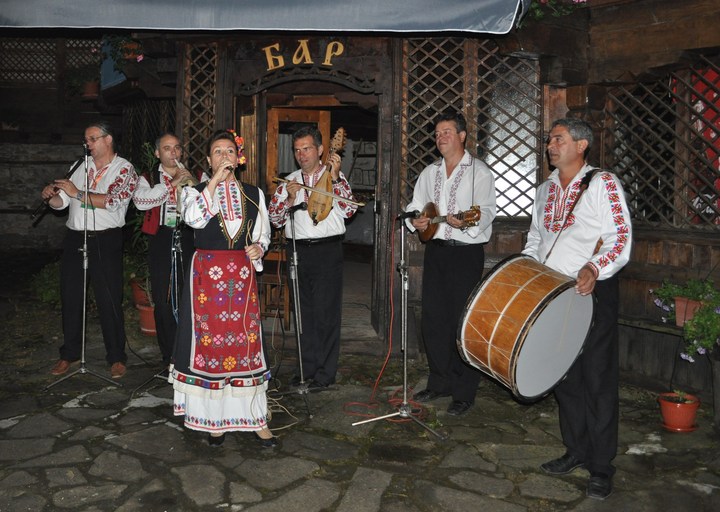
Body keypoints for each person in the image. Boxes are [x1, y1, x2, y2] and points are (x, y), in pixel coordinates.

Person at [522, 117, 632, 500]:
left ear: (582, 145)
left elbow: (619, 238)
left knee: (597, 381)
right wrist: (528, 274)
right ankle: (576, 449)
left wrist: (593, 267)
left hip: (592, 291)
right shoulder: (545, 189)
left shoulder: (604, 184)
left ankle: (601, 465)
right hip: (554, 295)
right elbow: (536, 238)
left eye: (559, 139)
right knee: (565, 377)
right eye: (550, 140)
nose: (550, 145)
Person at [169, 129, 275, 447]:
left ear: (239, 159)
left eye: (229, 151)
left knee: (245, 343)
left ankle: (255, 418)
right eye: (217, 152)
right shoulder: (195, 191)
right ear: (208, 160)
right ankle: (215, 422)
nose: (224, 157)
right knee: (211, 344)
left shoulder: (254, 194)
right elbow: (193, 220)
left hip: (241, 277)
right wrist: (213, 183)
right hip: (207, 277)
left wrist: (259, 247)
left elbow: (263, 233)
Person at [405, 109, 497, 416]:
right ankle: (439, 380)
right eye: (437, 133)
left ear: (462, 135)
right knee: (434, 318)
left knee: (461, 321)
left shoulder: (479, 171)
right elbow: (415, 208)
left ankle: (463, 390)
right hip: (437, 251)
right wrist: (415, 222)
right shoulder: (429, 172)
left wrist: (466, 223)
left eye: (446, 132)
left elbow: (485, 212)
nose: (440, 137)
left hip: (465, 254)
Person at [43, 121, 138, 379]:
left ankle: (116, 357)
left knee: (109, 297)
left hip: (105, 240)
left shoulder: (125, 169)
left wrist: (78, 193)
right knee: (71, 296)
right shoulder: (80, 166)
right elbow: (62, 202)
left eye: (92, 139)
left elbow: (113, 200)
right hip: (75, 237)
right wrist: (51, 195)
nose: (88, 144)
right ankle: (69, 354)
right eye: (86, 140)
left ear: (108, 140)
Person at [268, 125, 358, 388]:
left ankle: (325, 374)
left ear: (320, 149)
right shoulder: (290, 181)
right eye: (297, 150)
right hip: (297, 250)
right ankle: (306, 369)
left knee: (326, 314)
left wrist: (338, 176)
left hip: (327, 250)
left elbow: (349, 211)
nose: (301, 154)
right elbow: (274, 219)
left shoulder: (335, 177)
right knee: (303, 313)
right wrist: (288, 199)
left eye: (306, 148)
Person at [132, 133, 197, 369]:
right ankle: (168, 355)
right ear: (158, 153)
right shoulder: (148, 177)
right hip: (161, 238)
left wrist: (192, 185)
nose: (173, 153)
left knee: (189, 296)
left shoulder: (196, 175)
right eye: (167, 148)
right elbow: (140, 201)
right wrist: (171, 183)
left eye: (177, 148)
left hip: (189, 238)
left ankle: (188, 352)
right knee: (163, 297)